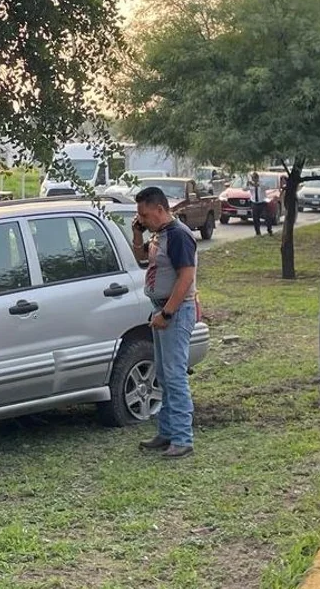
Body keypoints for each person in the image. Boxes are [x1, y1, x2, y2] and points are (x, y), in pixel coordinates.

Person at [132, 186, 199, 459]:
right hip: (160, 309)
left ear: (160, 209)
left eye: (145, 215)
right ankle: (167, 431)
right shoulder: (160, 234)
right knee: (163, 374)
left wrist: (168, 313)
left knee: (174, 375)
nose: (142, 220)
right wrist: (137, 233)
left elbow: (186, 277)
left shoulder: (179, 235)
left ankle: (182, 438)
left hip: (175, 312)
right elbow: (141, 258)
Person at [248, 172, 274, 236]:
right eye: (253, 178)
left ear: (257, 178)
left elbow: (267, 187)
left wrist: (258, 185)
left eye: (255, 178)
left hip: (262, 202)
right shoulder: (251, 184)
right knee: (255, 219)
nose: (254, 179)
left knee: (267, 217)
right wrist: (247, 184)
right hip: (254, 203)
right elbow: (244, 189)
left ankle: (269, 229)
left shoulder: (262, 183)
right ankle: (258, 233)